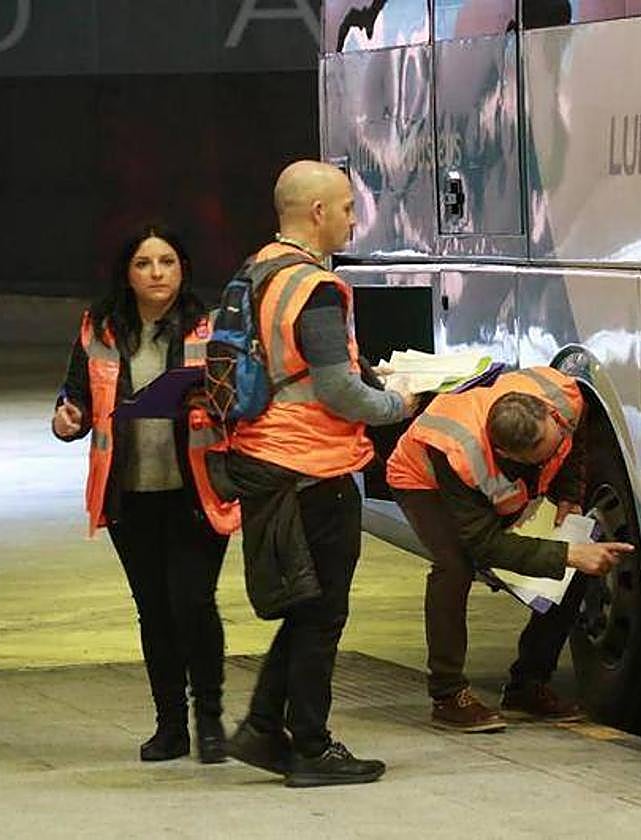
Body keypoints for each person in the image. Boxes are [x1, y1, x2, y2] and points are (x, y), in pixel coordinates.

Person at [223, 160, 416, 788]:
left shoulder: (255, 272)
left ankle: (260, 730)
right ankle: (311, 747)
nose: (353, 219)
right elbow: (336, 390)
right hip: (312, 468)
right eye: (347, 209)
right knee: (322, 614)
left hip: (262, 459)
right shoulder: (315, 288)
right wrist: (397, 404)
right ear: (316, 213)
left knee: (303, 607)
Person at [52, 223, 239, 764]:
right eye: (143, 264)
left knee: (193, 604)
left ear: (183, 269)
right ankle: (169, 725)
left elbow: (243, 399)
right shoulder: (101, 327)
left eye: (167, 263)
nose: (157, 273)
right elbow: (76, 396)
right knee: (154, 612)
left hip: (197, 490)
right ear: (126, 274)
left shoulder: (210, 328)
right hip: (129, 495)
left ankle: (208, 720)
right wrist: (68, 419)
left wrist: (212, 403)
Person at [386, 367, 635, 732]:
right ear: (509, 455)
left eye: (557, 435)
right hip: (423, 482)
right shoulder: (460, 454)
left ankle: (528, 687)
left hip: (497, 478)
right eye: (541, 457)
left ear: (547, 413)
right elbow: (484, 546)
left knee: (578, 563)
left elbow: (572, 442)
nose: (559, 441)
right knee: (453, 567)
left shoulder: (561, 398)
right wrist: (568, 555)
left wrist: (568, 493)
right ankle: (447, 694)